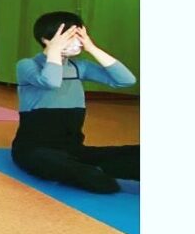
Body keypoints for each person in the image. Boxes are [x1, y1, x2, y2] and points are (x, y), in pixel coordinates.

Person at [12, 11, 138, 194]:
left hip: (73, 150)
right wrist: (54, 51)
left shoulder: (80, 67)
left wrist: (92, 48)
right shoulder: (27, 65)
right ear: (46, 39)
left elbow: (126, 80)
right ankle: (97, 173)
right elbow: (51, 81)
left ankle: (99, 171)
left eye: (79, 35)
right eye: (70, 36)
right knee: (87, 176)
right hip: (34, 149)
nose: (78, 42)